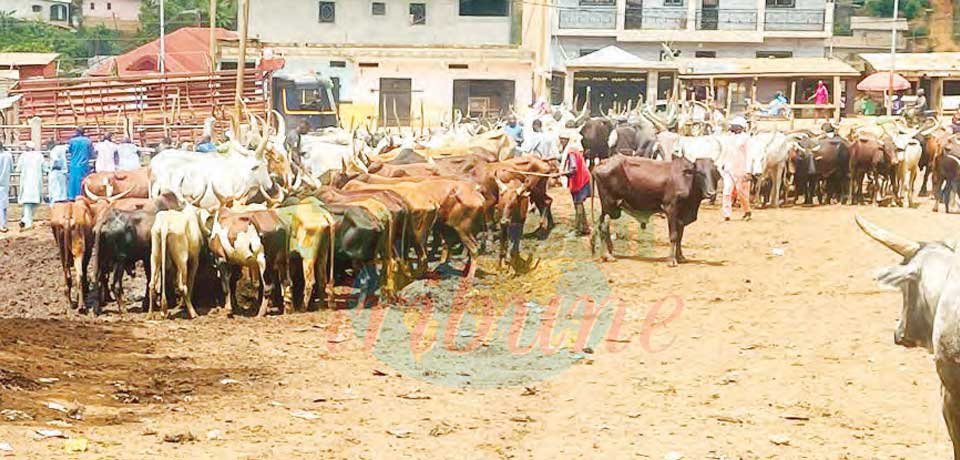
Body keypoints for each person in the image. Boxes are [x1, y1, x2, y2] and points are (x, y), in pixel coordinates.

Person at [720, 116, 752, 222]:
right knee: (726, 191)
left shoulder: (746, 139)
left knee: (741, 192)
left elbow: (749, 155)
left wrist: (748, 170)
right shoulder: (728, 138)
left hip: (741, 169)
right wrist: (723, 163)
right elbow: (725, 152)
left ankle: (747, 211)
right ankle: (726, 214)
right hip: (729, 168)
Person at [562, 138, 592, 236]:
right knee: (579, 204)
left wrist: (563, 173)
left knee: (578, 204)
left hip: (580, 180)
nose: (561, 142)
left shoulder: (571, 153)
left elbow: (573, 169)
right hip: (583, 178)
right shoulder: (573, 150)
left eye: (562, 140)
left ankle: (578, 230)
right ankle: (585, 228)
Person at [16, 143, 45, 229]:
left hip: (26, 182)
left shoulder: (23, 156)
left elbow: (18, 168)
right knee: (34, 203)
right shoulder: (39, 156)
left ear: (27, 148)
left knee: (27, 203)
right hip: (36, 182)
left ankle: (25, 220)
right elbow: (44, 167)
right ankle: (27, 222)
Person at [67, 128, 94, 200]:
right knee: (83, 180)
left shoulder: (72, 141)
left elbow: (69, 151)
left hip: (74, 164)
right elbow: (91, 153)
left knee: (73, 181)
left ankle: (72, 196)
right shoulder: (88, 141)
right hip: (84, 164)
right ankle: (83, 195)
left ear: (76, 132)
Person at [0, 145, 11, 233]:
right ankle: (3, 224)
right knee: (3, 203)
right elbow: (11, 168)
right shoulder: (8, 155)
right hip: (4, 181)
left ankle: (2, 224)